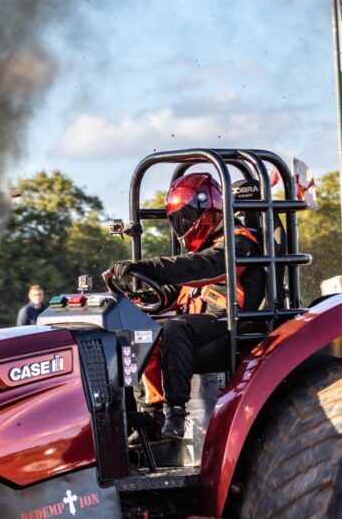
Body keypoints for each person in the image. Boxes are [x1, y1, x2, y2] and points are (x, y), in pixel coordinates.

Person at [108, 172, 264, 439]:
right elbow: (181, 288)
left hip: (232, 322)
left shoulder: (239, 241)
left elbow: (204, 268)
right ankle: (147, 415)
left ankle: (176, 412)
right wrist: (143, 298)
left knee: (175, 328)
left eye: (187, 216)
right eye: (179, 219)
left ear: (208, 209)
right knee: (136, 331)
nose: (184, 224)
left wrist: (147, 267)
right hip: (201, 323)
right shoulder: (205, 247)